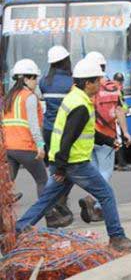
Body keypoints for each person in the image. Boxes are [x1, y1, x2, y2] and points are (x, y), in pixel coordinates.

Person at [15, 58, 131, 252]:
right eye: (97, 81)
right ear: (88, 83)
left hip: (66, 162)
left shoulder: (75, 98)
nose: (101, 85)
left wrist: (109, 141)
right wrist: (61, 167)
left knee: (46, 200)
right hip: (75, 163)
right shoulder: (81, 106)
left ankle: (18, 230)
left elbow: (84, 132)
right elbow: (67, 138)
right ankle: (117, 237)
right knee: (106, 195)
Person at [2, 59, 70, 227]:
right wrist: (40, 146)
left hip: (9, 148)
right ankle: (50, 217)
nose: (36, 82)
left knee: (6, 186)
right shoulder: (29, 97)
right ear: (25, 78)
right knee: (42, 181)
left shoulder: (9, 97)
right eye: (34, 78)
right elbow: (33, 125)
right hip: (26, 148)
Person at [78, 52, 131, 223]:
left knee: (94, 173)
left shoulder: (84, 88)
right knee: (105, 172)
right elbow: (120, 111)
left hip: (87, 138)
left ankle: (96, 207)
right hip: (107, 137)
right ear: (104, 67)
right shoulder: (114, 87)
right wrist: (125, 132)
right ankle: (93, 201)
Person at [39, 45, 74, 220]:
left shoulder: (44, 82)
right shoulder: (71, 83)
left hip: (48, 129)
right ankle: (56, 204)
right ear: (66, 61)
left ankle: (58, 205)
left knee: (55, 167)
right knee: (67, 168)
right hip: (63, 131)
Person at [112, 72, 131, 172]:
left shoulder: (119, 91)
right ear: (114, 81)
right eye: (118, 81)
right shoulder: (114, 91)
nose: (120, 84)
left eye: (121, 81)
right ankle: (121, 164)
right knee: (119, 142)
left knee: (117, 140)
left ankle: (115, 163)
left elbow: (122, 104)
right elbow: (118, 107)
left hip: (119, 118)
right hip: (116, 119)